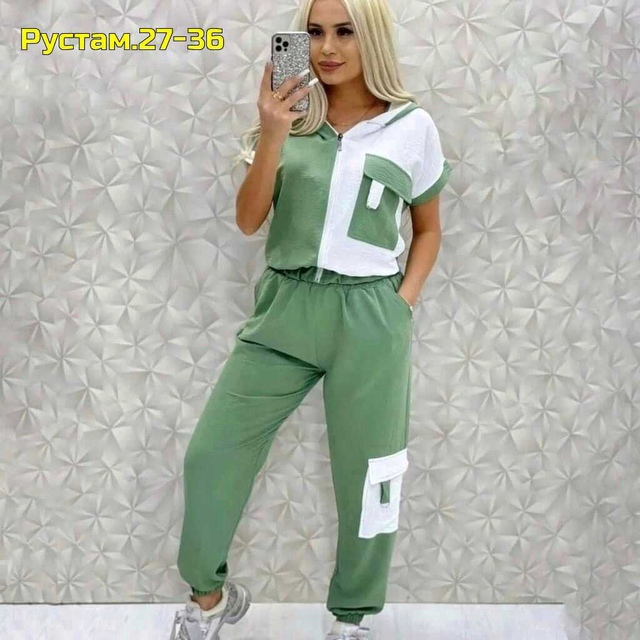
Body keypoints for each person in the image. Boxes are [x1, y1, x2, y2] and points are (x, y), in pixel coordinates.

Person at [168, 0, 452, 637]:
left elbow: (429, 228)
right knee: (212, 454)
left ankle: (351, 618)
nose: (327, 48)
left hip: (371, 317)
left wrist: (402, 303)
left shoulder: (412, 127)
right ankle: (208, 599)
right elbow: (249, 220)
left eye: (345, 32)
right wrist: (272, 129)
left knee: (370, 477)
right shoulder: (292, 117)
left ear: (371, 37)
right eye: (315, 32)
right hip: (285, 309)